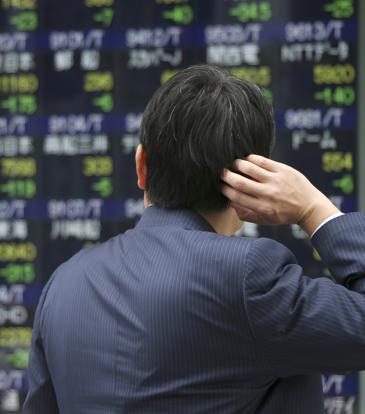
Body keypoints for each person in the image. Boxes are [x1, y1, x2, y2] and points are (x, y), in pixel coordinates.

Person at [23, 64, 365, 413]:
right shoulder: (248, 277)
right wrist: (314, 210)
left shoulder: (65, 282)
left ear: (141, 165)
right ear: (253, 177)